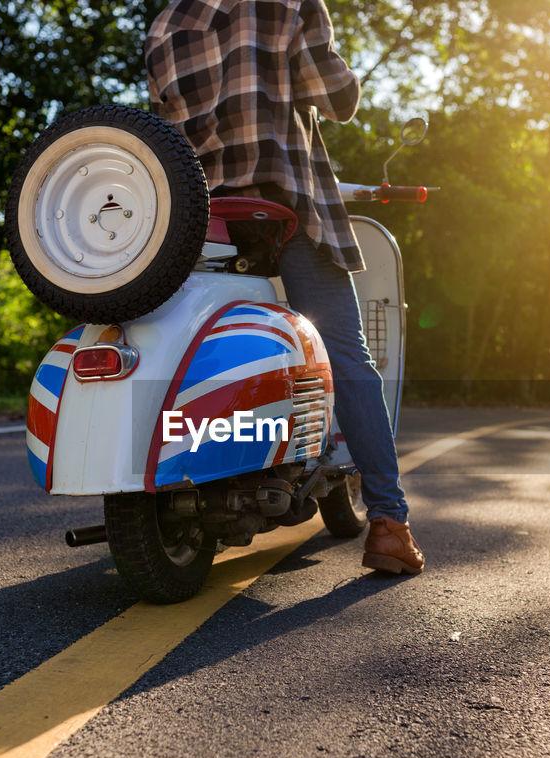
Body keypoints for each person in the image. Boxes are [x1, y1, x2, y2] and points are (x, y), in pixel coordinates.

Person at [145, 0, 425, 576]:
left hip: (201, 220)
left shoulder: (167, 22)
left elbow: (160, 132)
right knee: (347, 355)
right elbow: (339, 98)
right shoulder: (288, 3)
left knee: (184, 352)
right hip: (284, 207)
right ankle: (389, 525)